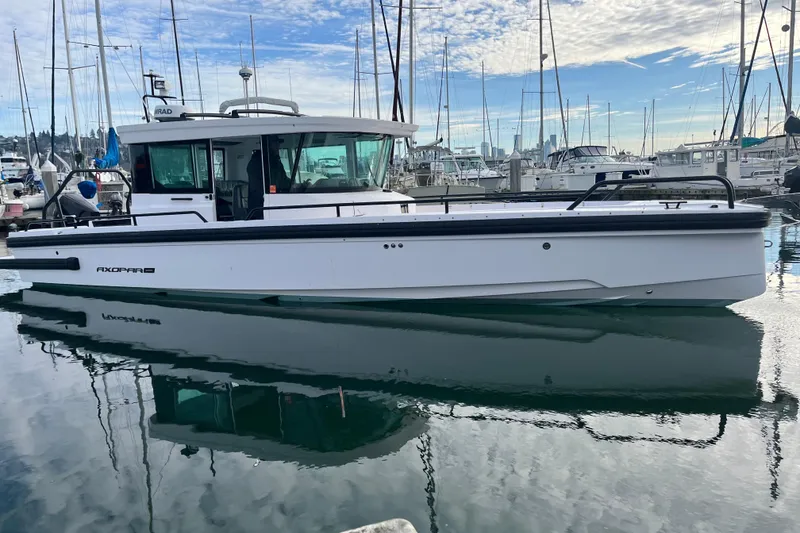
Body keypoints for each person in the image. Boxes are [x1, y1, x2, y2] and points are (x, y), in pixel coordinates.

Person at [246, 149, 265, 220]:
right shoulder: (257, 164)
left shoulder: (273, 160)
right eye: (276, 143)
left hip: (256, 201)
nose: (278, 146)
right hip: (258, 201)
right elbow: (257, 186)